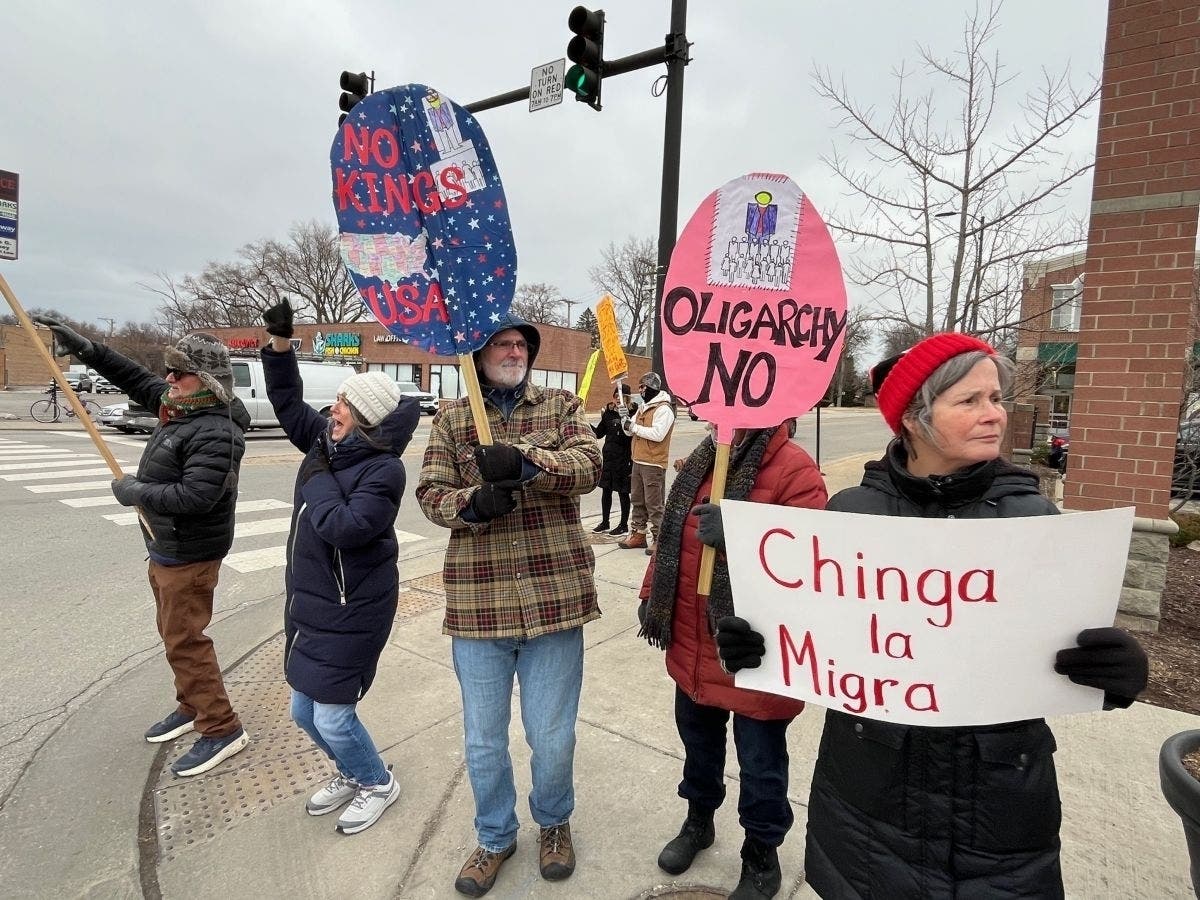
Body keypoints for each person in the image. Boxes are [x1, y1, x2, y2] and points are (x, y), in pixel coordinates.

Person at [715, 332, 1149, 899]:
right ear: (915, 419)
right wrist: (758, 650)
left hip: (997, 807)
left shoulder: (1034, 519)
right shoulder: (850, 517)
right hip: (866, 796)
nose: (994, 415)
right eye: (969, 401)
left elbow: (1062, 649)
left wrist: (1113, 675)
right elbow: (821, 637)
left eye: (996, 399)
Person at [416, 316, 603, 897]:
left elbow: (590, 467)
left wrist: (526, 464)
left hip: (555, 602)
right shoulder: (451, 419)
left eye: (523, 343)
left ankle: (553, 824)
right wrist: (473, 504)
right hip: (480, 603)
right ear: (478, 352)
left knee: (552, 735)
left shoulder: (561, 406)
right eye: (504, 342)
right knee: (482, 740)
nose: (516, 350)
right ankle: (495, 836)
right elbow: (429, 493)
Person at [33, 315, 252, 777]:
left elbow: (196, 497)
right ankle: (192, 705)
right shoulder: (182, 406)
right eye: (170, 371)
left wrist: (134, 492)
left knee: (186, 641)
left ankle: (221, 727)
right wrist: (89, 349)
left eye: (180, 372)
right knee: (175, 636)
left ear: (207, 382)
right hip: (166, 549)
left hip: (190, 554)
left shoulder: (215, 429)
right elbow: (136, 378)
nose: (168, 380)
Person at [637, 418, 827, 899]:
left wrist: (745, 537)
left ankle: (761, 855)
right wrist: (649, 593)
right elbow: (671, 542)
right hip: (691, 645)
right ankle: (699, 821)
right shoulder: (703, 459)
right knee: (699, 750)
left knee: (761, 766)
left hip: (754, 654)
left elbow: (810, 565)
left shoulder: (794, 469)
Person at [260, 299, 420, 835]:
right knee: (302, 713)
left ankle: (377, 781)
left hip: (356, 608)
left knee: (331, 714)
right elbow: (286, 402)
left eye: (345, 404)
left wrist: (318, 476)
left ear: (367, 416)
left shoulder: (383, 468)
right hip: (311, 601)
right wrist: (281, 345)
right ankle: (352, 771)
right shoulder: (326, 441)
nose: (334, 410)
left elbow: (347, 527)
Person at [618, 371, 676, 556]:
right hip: (638, 460)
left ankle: (660, 538)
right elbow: (629, 432)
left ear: (651, 387)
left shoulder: (663, 409)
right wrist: (625, 421)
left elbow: (658, 434)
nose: (640, 390)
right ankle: (638, 533)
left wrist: (633, 426)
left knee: (654, 504)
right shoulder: (644, 407)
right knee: (638, 500)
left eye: (643, 387)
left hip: (653, 463)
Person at [591, 383, 634, 535]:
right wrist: (583, 422)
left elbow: (632, 435)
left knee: (623, 492)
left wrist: (625, 417)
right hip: (609, 458)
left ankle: (623, 525)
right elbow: (599, 433)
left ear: (627, 399)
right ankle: (605, 522)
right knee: (606, 490)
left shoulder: (633, 414)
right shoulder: (608, 413)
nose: (618, 400)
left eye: (621, 398)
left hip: (624, 459)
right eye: (616, 397)